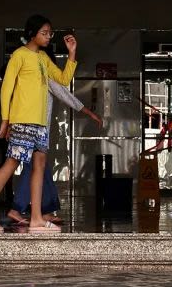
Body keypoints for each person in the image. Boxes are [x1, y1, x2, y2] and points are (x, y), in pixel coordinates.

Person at [0, 14, 77, 233]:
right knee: (11, 164)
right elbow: (6, 89)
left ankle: (37, 218)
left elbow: (64, 79)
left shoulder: (43, 59)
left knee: (38, 166)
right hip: (23, 121)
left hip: (40, 124)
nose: (48, 37)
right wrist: (5, 120)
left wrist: (72, 53)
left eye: (50, 33)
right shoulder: (19, 56)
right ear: (32, 34)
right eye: (44, 33)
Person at [7, 74, 102, 226]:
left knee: (40, 169)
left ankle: (44, 211)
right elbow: (65, 95)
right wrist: (90, 113)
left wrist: (9, 126)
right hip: (36, 131)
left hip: (29, 129)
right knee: (34, 169)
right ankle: (21, 208)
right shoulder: (44, 77)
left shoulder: (28, 78)